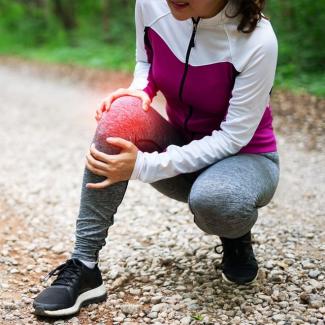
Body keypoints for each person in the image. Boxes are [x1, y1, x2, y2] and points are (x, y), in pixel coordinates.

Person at [33, 0, 280, 317]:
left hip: (246, 156)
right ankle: (84, 266)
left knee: (217, 200)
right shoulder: (151, 4)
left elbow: (233, 137)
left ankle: (235, 235)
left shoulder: (257, 39)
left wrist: (143, 166)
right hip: (182, 143)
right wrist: (141, 92)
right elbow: (145, 61)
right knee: (121, 114)